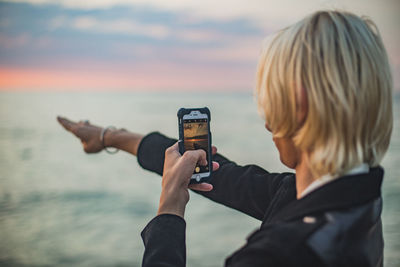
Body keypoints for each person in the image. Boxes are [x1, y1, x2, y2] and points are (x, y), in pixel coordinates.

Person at [57, 10, 393, 267]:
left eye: (270, 103)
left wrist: (169, 210)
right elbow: (225, 175)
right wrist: (109, 136)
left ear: (300, 105)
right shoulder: (360, 200)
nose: (267, 124)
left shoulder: (276, 255)